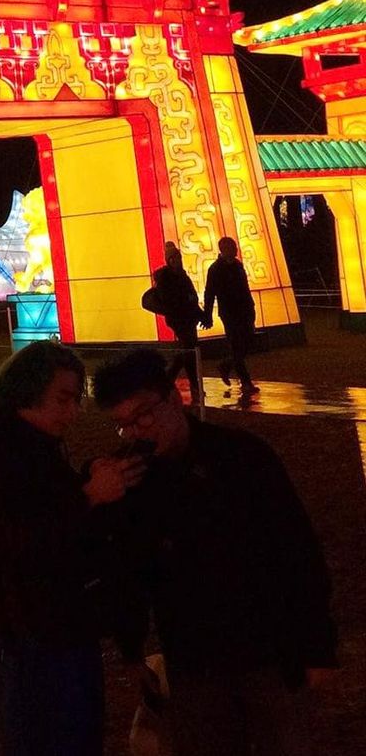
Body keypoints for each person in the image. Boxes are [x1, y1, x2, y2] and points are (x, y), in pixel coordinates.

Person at [92, 349, 338, 756]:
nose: (136, 432)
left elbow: (297, 551)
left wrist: (317, 646)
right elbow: (128, 570)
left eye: (143, 416)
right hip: (193, 661)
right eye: (122, 425)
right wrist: (131, 649)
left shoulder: (243, 457)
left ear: (174, 398)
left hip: (269, 651)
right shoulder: (131, 481)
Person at [0, 341, 146, 754]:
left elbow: (45, 514)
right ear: (27, 388)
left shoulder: (29, 443)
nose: (73, 413)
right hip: (32, 630)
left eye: (76, 400)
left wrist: (87, 480)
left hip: (60, 620)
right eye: (63, 399)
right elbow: (10, 538)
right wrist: (90, 496)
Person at [147, 241, 208, 402]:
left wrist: (198, 312)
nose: (176, 261)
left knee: (189, 352)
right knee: (188, 351)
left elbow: (191, 297)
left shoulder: (182, 275)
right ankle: (170, 381)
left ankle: (188, 384)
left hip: (188, 318)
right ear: (168, 260)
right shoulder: (166, 278)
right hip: (178, 318)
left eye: (177, 257)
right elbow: (172, 299)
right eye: (172, 258)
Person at [203, 236, 258, 394]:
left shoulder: (237, 266)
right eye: (232, 247)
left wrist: (251, 308)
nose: (235, 250)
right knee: (236, 345)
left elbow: (245, 289)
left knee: (246, 343)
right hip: (229, 313)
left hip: (244, 310)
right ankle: (246, 381)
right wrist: (208, 314)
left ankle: (226, 365)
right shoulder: (215, 269)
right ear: (223, 249)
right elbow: (209, 293)